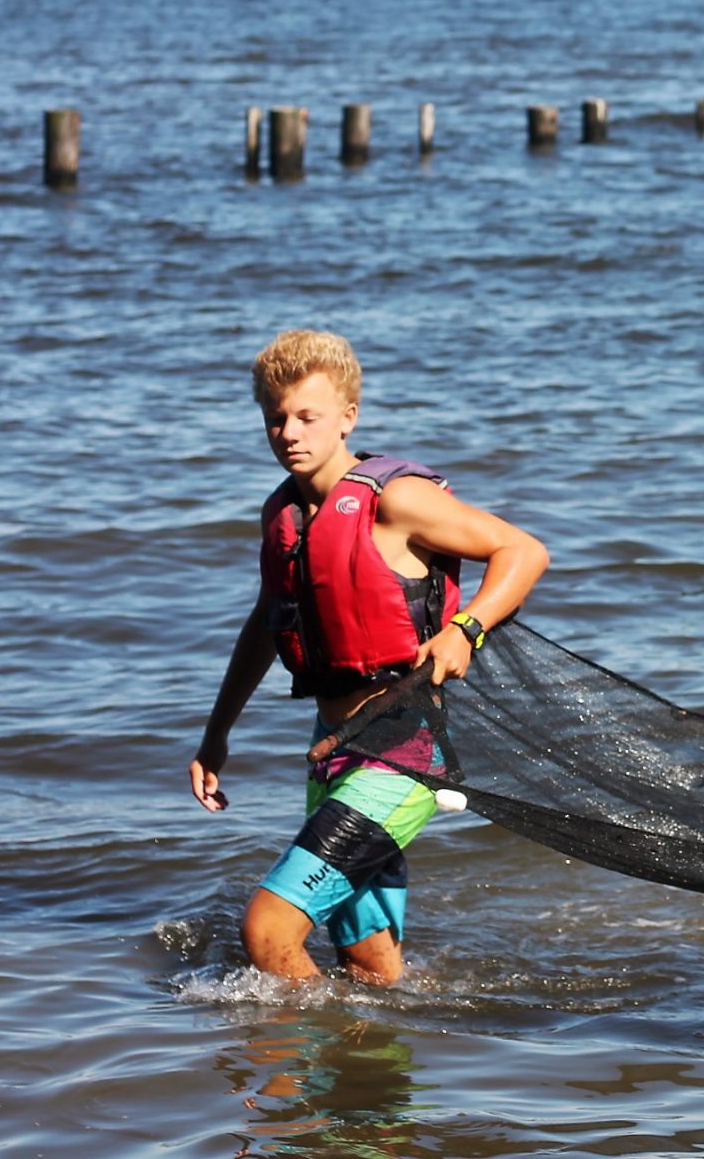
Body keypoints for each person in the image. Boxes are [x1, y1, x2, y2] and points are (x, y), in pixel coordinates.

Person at [189, 329, 549, 986]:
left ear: (348, 416)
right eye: (275, 418)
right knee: (370, 968)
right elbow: (265, 626)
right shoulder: (286, 518)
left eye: (307, 416)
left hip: (403, 757)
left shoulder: (395, 500)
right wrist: (216, 733)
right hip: (335, 752)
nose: (288, 432)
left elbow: (523, 551)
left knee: (268, 930)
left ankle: (295, 1074)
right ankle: (367, 1081)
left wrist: (464, 629)